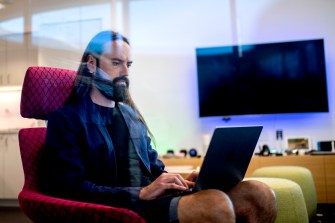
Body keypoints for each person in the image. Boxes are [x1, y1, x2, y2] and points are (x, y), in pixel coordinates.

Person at [40, 30, 277, 223]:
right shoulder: (67, 119)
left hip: (155, 198)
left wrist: (186, 180)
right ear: (91, 64)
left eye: (128, 64)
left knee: (259, 194)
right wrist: (141, 193)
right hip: (127, 205)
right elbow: (69, 188)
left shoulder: (131, 116)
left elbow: (155, 169)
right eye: (116, 63)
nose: (125, 72)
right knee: (215, 205)